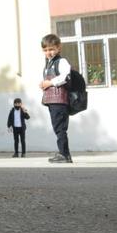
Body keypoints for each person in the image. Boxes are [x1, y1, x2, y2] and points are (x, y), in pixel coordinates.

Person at [40, 34, 73, 163]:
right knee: (58, 127)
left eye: (51, 49)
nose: (48, 52)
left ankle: (64, 154)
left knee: (60, 128)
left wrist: (49, 83)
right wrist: (44, 84)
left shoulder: (61, 61)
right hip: (53, 101)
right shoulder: (49, 63)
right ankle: (65, 154)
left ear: (59, 48)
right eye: (45, 50)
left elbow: (65, 76)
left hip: (59, 100)